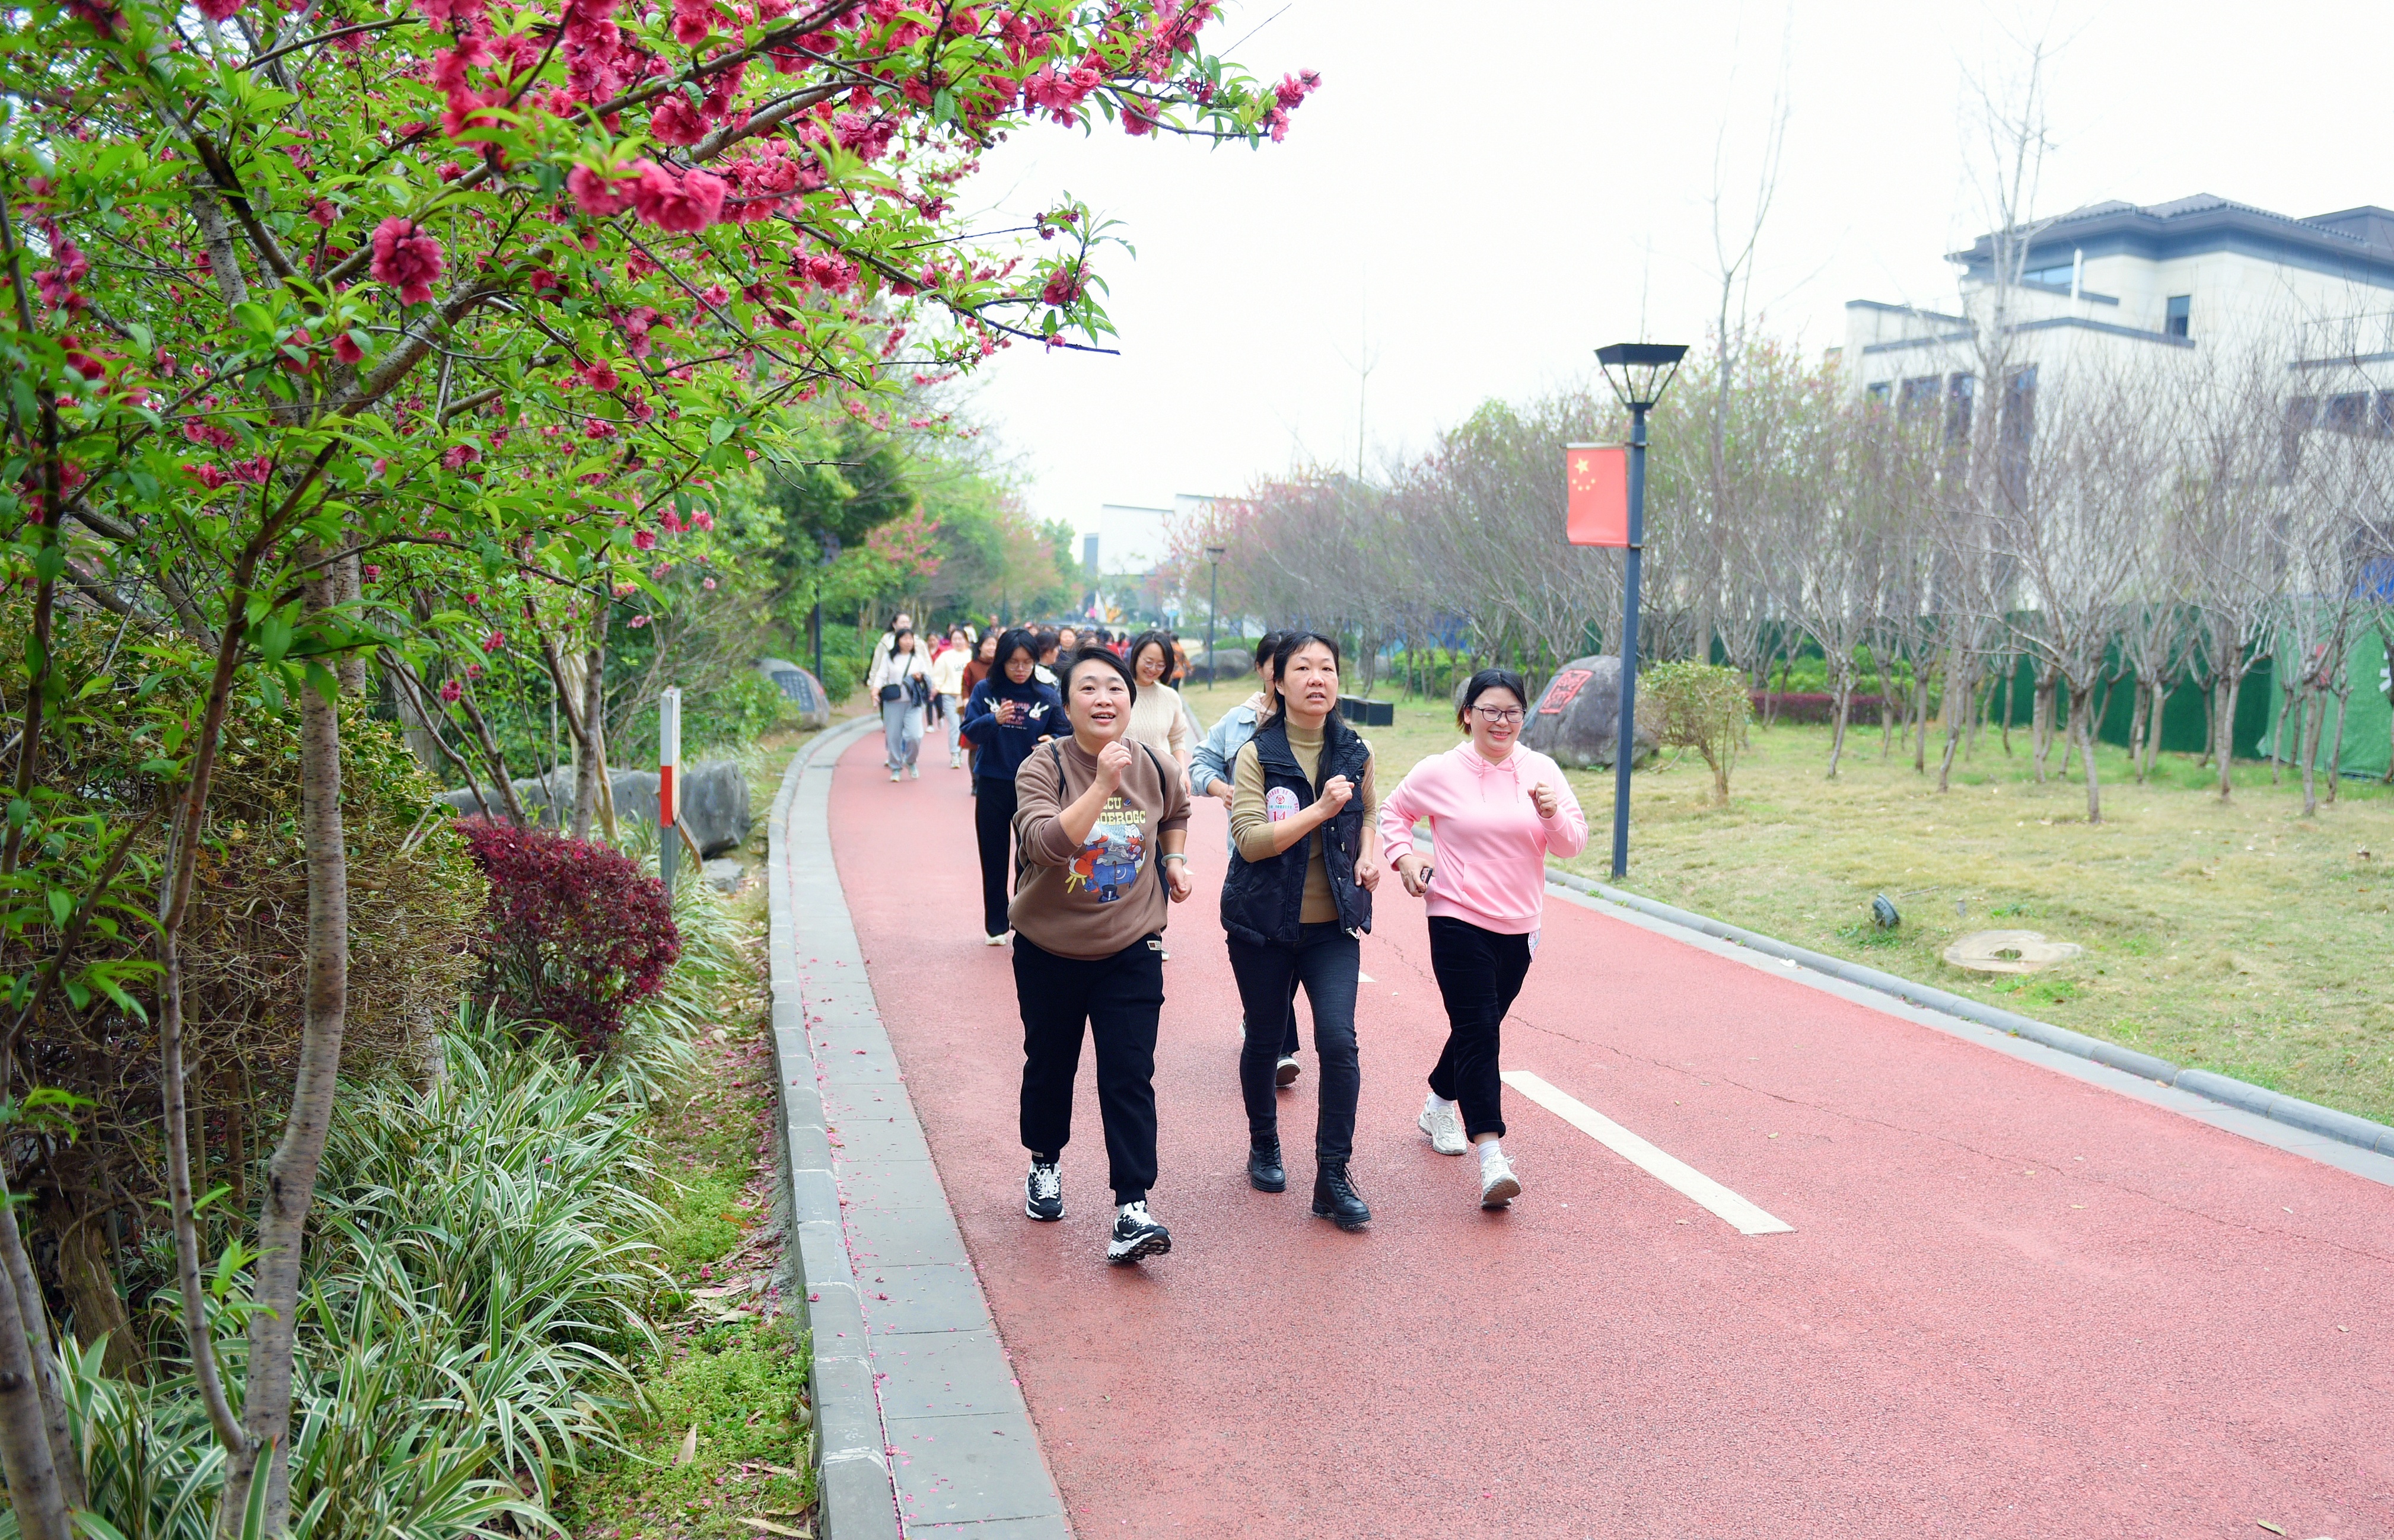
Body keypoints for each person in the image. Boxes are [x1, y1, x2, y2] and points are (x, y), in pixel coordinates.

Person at [1009, 646, 1194, 1264]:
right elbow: (1044, 844)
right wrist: (1101, 785)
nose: (1104, 698)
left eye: (1115, 687)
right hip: (1050, 947)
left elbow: (1178, 809)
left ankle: (1131, 1206)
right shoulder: (1043, 766)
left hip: (1132, 944)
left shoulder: (1157, 765)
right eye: (1087, 688)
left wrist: (1174, 859)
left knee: (1128, 1072)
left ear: (1130, 701)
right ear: (1067, 706)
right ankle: (1044, 1161)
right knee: (1050, 1063)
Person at [1377, 669, 1588, 1209]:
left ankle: (1438, 1102)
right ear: (1467, 713)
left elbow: (1573, 844)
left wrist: (1551, 813)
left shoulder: (1541, 769)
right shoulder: (1440, 770)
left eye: (1512, 712)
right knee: (1479, 1032)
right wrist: (1405, 858)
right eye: (1490, 710)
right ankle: (1492, 1156)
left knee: (1481, 1024)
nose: (1502, 721)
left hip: (1520, 925)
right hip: (1456, 916)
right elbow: (1394, 813)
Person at [1221, 632, 1380, 1229]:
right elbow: (1250, 840)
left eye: (1328, 668)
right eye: (1304, 668)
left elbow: (1370, 812)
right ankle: (1264, 1142)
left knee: (1339, 1042)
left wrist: (1368, 855)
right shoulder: (1257, 754)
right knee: (1266, 1038)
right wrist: (1318, 811)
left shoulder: (1356, 749)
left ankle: (1332, 1175)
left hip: (1332, 926)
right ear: (1278, 681)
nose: (1318, 678)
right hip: (1262, 924)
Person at [1189, 632, 1304, 1086]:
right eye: (1277, 663)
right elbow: (1200, 764)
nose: (1285, 672)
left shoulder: (1313, 720)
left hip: (1305, 856)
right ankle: (1277, 1044)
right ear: (1262, 669)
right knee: (1263, 944)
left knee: (1294, 949)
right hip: (1251, 853)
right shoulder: (1237, 721)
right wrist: (1222, 788)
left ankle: (1267, 1029)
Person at [961, 630, 1064, 943]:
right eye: (1013, 662)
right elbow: (969, 732)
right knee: (993, 854)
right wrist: (993, 720)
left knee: (1030, 855)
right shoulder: (985, 690)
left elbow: (1065, 732)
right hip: (992, 782)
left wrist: (1052, 741)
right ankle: (996, 926)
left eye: (1027, 662)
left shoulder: (1046, 695)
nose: (1020, 669)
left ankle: (1024, 917)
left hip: (1033, 786)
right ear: (1001, 662)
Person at [1125, 631, 1194, 782]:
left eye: (1161, 665)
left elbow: (1177, 739)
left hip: (1161, 780)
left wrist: (1182, 772)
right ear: (1136, 656)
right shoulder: (1118, 693)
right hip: (1123, 781)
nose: (1153, 669)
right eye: (1148, 662)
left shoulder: (1170, 697)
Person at [867, 627, 932, 782]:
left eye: (911, 639)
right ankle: (896, 767)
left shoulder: (918, 659)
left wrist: (920, 677)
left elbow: (927, 677)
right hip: (893, 703)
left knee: (915, 735)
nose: (909, 642)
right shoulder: (889, 658)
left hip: (913, 703)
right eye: (905, 638)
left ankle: (911, 761)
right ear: (898, 641)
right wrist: (875, 692)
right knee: (894, 737)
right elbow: (881, 676)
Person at [929, 626, 972, 769]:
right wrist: (936, 688)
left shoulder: (971, 655)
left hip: (968, 697)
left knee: (967, 725)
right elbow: (938, 675)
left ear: (966, 640)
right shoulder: (945, 657)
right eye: (955, 639)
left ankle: (966, 751)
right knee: (955, 725)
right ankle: (955, 754)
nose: (958, 642)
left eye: (961, 639)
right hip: (950, 696)